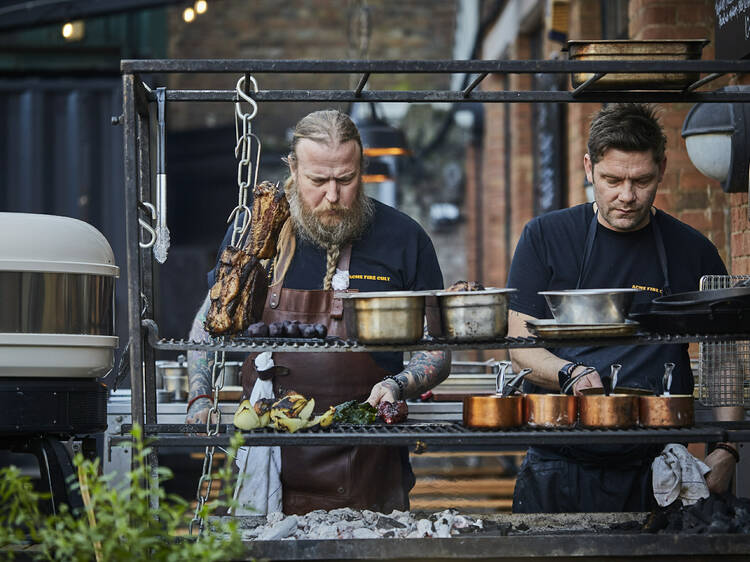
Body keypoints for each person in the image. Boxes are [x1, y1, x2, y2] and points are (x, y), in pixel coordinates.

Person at [185, 109, 450, 515]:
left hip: (368, 461)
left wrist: (399, 385)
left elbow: (437, 348)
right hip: (265, 453)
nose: (332, 196)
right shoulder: (257, 236)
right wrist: (201, 397)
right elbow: (209, 324)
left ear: (361, 167)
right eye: (318, 180)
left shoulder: (404, 239)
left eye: (345, 180)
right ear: (293, 167)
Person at [506, 103, 738, 513]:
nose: (627, 196)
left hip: (661, 467)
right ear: (587, 167)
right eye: (612, 180)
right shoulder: (546, 236)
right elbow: (519, 343)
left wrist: (726, 447)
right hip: (559, 462)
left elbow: (722, 359)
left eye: (641, 181)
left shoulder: (693, 250)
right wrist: (569, 372)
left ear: (662, 168)